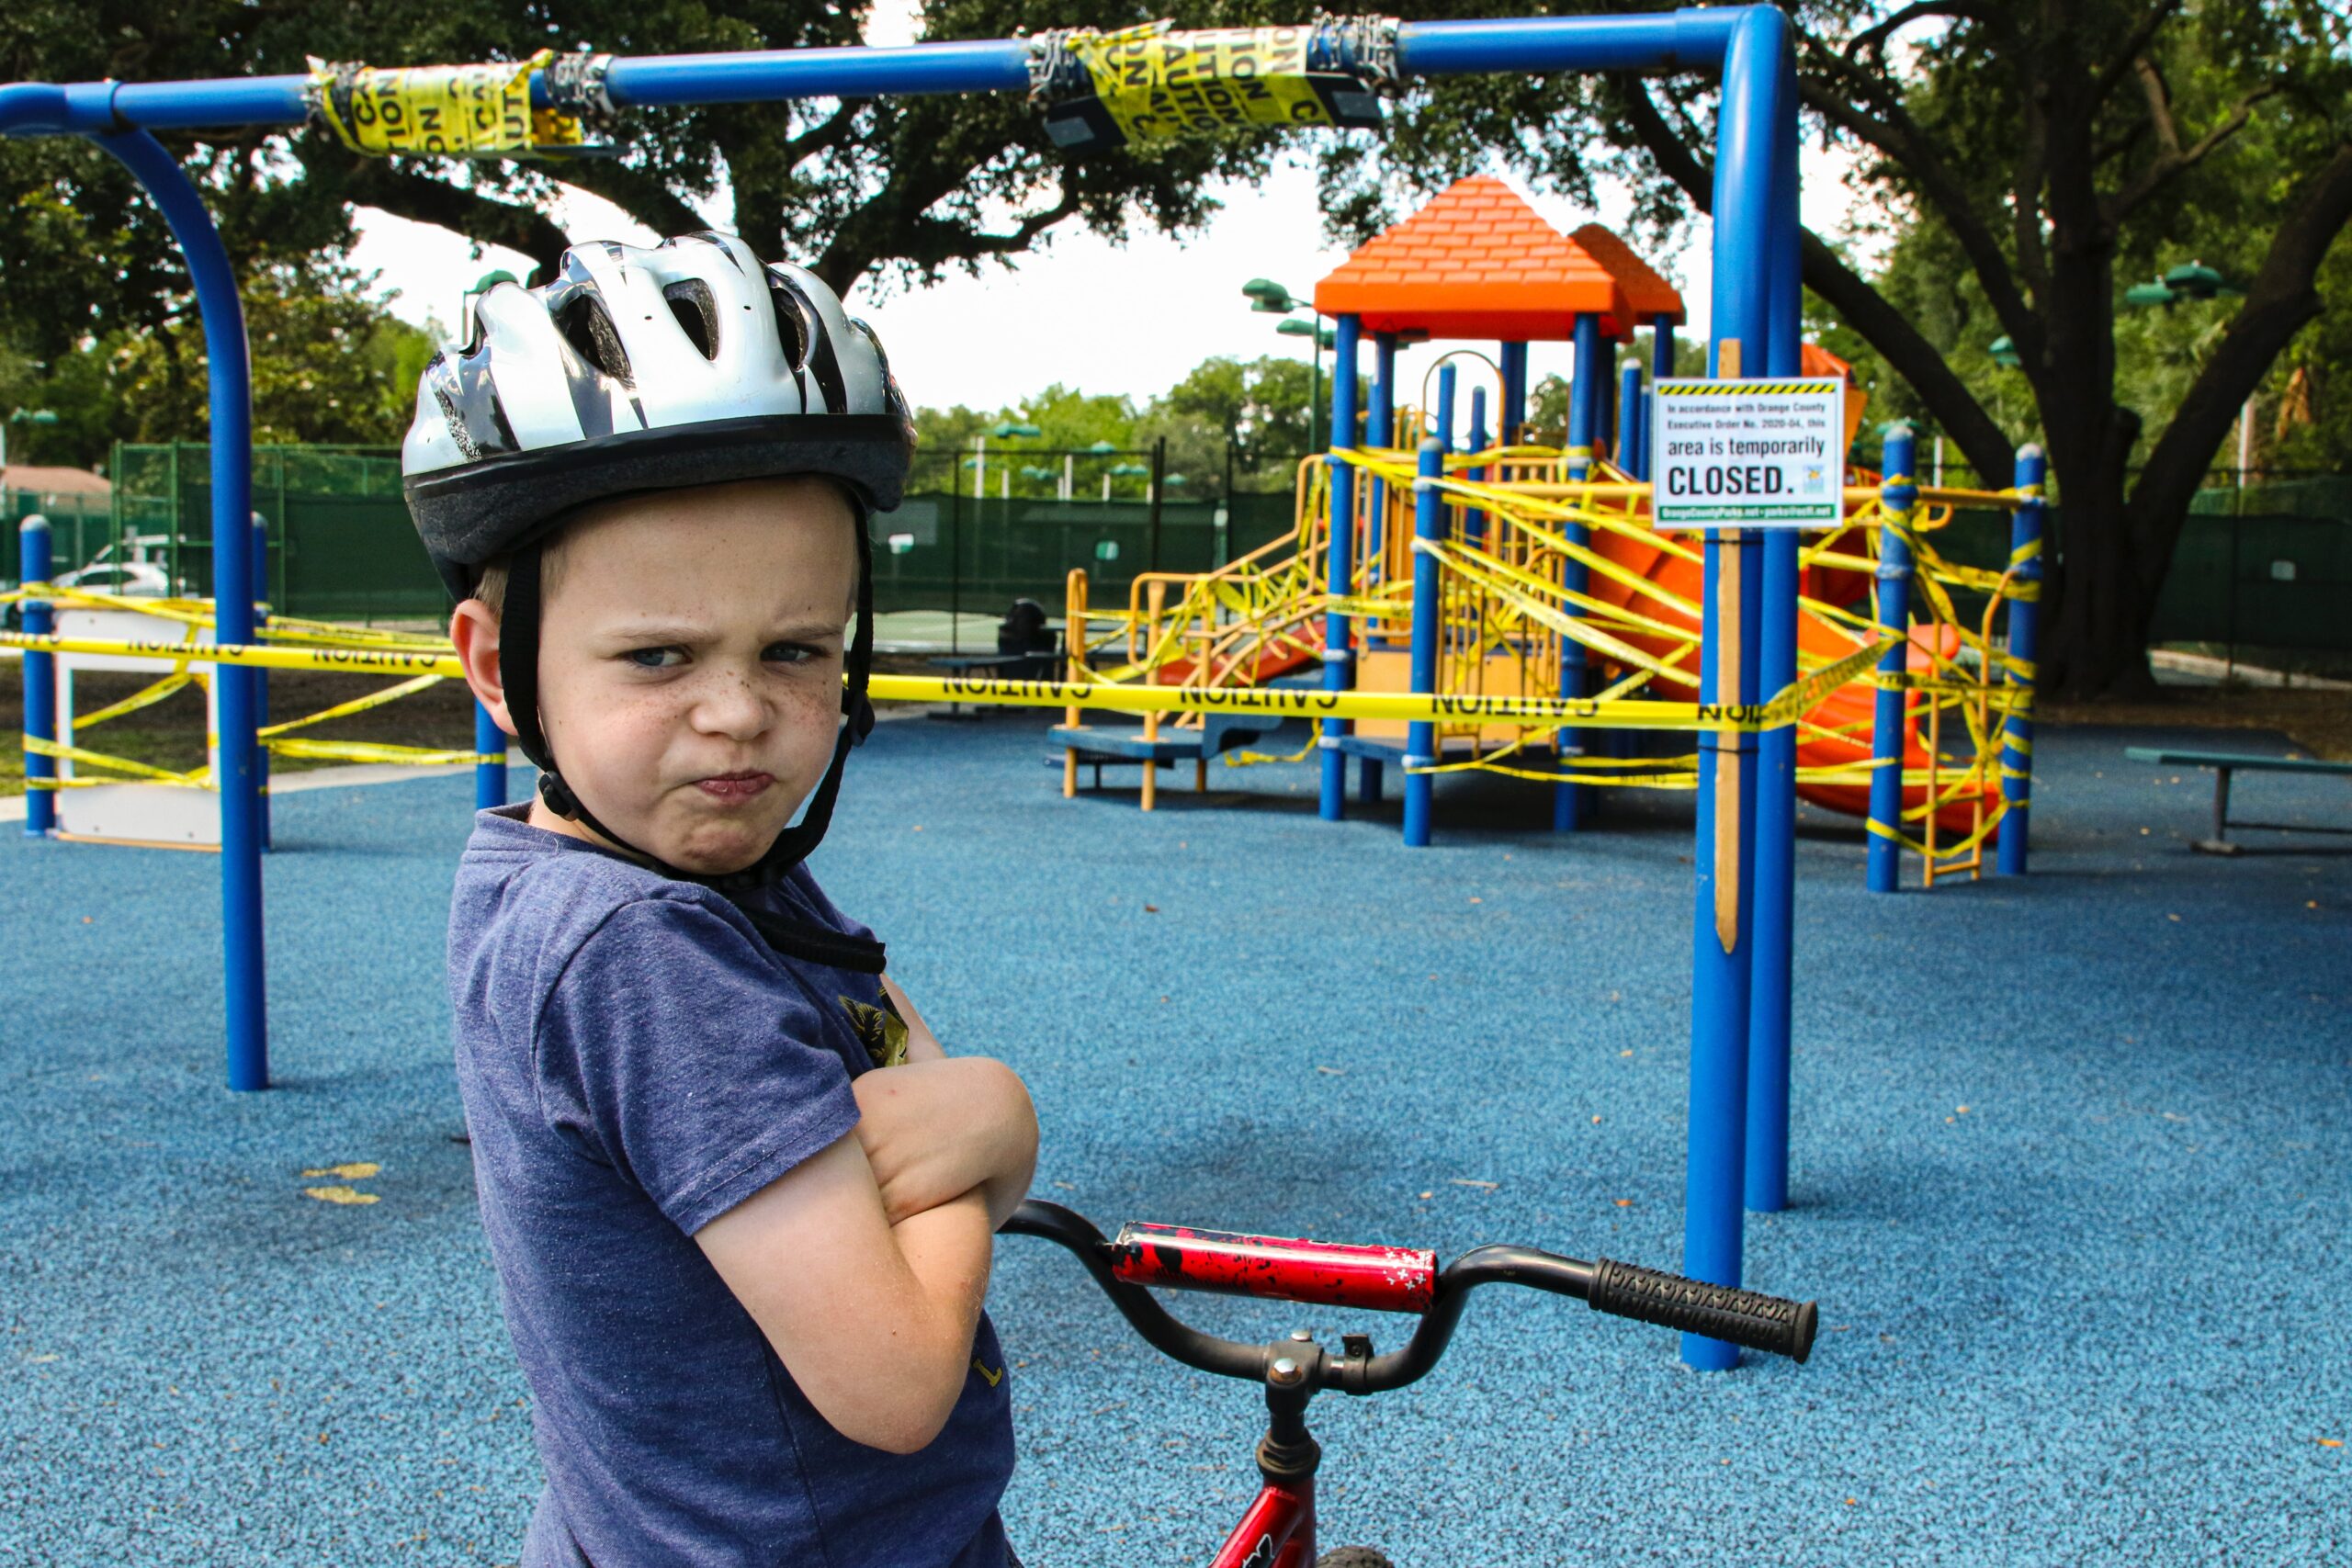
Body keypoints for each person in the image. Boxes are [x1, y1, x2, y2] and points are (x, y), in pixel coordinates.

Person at [405, 232, 1039, 1567]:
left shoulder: (679, 859)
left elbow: (884, 1049)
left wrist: (948, 1138)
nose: (739, 713)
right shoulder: (643, 945)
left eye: (795, 649)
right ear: (496, 667)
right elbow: (896, 1380)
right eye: (658, 656)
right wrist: (997, 1117)